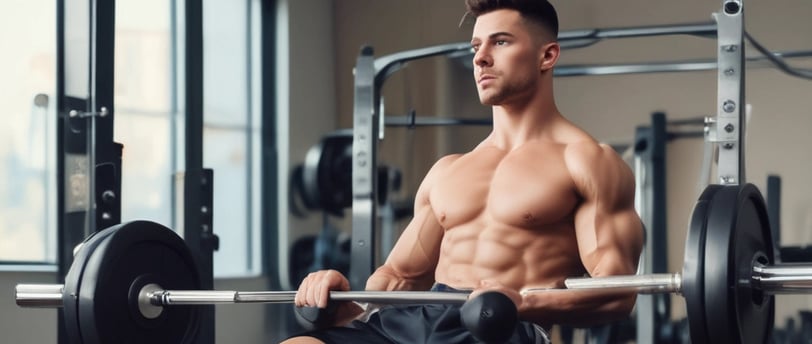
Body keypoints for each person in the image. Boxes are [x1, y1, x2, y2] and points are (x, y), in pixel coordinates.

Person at [283, 0, 644, 343]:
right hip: (407, 324)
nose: (481, 58)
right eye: (475, 47)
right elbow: (400, 276)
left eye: (500, 42)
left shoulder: (586, 161)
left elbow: (616, 291)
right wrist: (351, 305)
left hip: (500, 330)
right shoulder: (448, 169)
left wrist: (523, 304)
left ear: (546, 56)